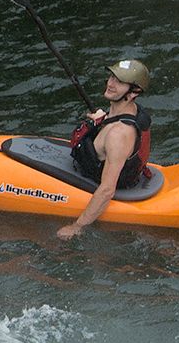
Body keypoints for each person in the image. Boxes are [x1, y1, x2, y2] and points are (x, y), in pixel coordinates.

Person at [55, 58, 153, 241]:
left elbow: (107, 190)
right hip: (125, 170)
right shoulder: (132, 111)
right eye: (111, 77)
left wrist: (77, 226)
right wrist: (103, 119)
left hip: (104, 180)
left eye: (120, 81)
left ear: (134, 92)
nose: (110, 83)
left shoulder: (118, 135)